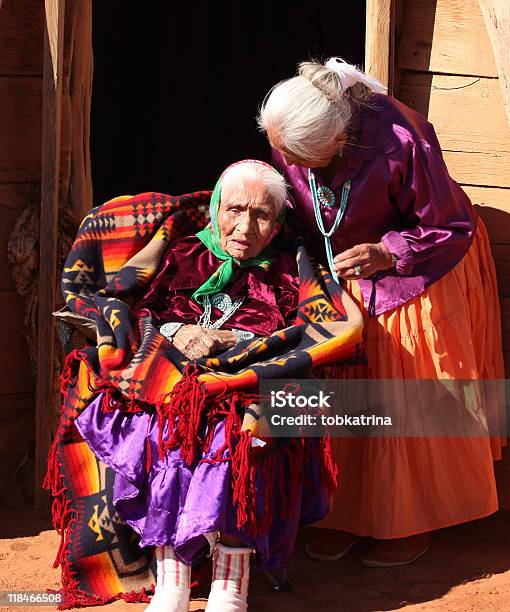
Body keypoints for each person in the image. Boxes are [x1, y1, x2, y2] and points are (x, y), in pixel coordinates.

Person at [258, 58, 505, 567]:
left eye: (301, 154)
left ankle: (406, 524)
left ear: (341, 140)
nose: (289, 161)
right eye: (283, 149)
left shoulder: (402, 138)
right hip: (345, 270)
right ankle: (346, 515)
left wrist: (388, 251)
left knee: (404, 395)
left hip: (420, 264)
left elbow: (449, 225)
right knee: (343, 390)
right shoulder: (293, 130)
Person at [73, 159, 329, 612]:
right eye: (234, 210)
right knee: (167, 433)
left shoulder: (289, 269)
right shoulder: (181, 253)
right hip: (176, 377)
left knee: (235, 440)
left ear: (276, 225)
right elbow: (143, 312)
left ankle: (230, 587)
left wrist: (237, 342)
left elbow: (303, 332)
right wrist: (177, 335)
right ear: (214, 209)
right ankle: (173, 579)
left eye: (261, 215)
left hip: (248, 382)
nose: (245, 226)